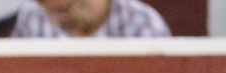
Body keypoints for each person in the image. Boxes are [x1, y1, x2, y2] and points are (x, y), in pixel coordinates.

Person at [12, 0, 170, 37]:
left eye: (64, 10)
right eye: (48, 12)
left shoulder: (142, 24)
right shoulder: (32, 17)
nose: (53, 21)